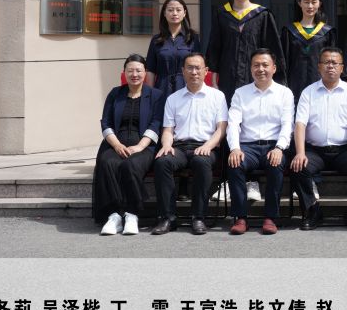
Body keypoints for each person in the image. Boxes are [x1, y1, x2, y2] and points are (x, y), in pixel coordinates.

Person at [289, 47, 347, 231]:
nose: (330, 66)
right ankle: (312, 209)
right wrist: (300, 153)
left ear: (342, 68)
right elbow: (300, 124)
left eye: (335, 63)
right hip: (315, 151)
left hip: (343, 150)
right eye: (326, 62)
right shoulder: (308, 92)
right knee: (297, 166)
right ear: (319, 67)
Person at [151, 52, 228, 236]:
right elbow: (168, 130)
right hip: (179, 146)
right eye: (190, 68)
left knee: (201, 162)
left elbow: (221, 129)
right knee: (162, 162)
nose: (194, 72)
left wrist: (208, 146)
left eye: (198, 68)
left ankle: (198, 217)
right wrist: (166, 145)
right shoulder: (173, 98)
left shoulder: (217, 96)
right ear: (183, 71)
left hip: (205, 146)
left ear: (206, 71)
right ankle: (168, 217)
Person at [93, 54, 165, 236]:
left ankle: (132, 214)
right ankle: (115, 216)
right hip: (115, 143)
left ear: (145, 73)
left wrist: (140, 146)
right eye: (130, 70)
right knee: (108, 162)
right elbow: (106, 122)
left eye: (138, 70)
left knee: (130, 165)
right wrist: (117, 145)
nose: (134, 74)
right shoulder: (115, 93)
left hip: (144, 145)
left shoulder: (156, 95)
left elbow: (156, 123)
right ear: (124, 73)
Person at [226, 48, 294, 235]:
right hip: (248, 147)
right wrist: (235, 148)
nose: (261, 69)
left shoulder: (284, 93)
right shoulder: (240, 93)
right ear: (250, 68)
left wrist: (279, 148)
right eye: (256, 65)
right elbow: (233, 123)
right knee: (235, 163)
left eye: (265, 65)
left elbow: (287, 124)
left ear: (274, 68)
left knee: (276, 163)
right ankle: (240, 217)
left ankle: (271, 217)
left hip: (274, 145)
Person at [205, 0, 283, 103]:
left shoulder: (262, 15)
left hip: (255, 75)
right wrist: (213, 79)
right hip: (228, 75)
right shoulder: (222, 14)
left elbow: (273, 48)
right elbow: (214, 48)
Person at [281, 0, 338, 98]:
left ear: (319, 4)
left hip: (320, 82)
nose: (310, 6)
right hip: (294, 83)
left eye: (313, 2)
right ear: (299, 3)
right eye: (306, 2)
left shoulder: (327, 32)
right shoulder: (289, 31)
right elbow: (284, 60)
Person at [145, 0, 202, 100]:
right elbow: (150, 70)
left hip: (186, 89)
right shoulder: (156, 40)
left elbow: (198, 67)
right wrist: (149, 95)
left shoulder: (193, 38)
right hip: (162, 90)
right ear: (164, 13)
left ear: (184, 13)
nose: (174, 13)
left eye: (178, 10)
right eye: (170, 10)